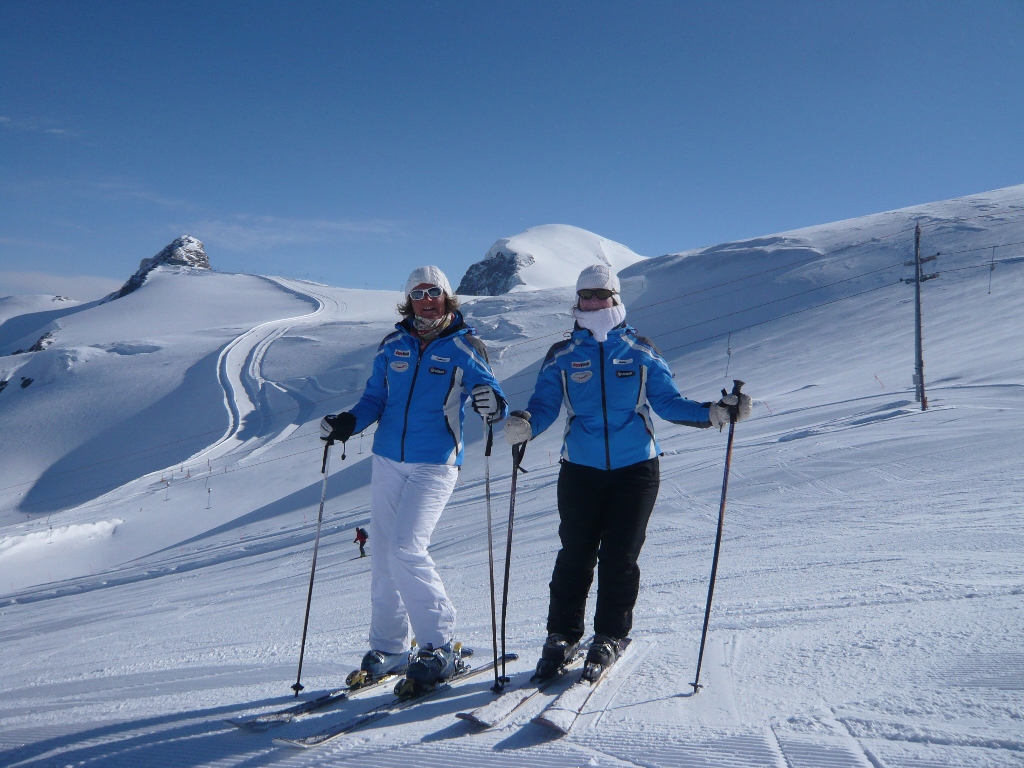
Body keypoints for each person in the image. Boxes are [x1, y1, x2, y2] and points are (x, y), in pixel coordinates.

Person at [503, 264, 751, 681]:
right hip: (579, 469)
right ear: (577, 301)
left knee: (620, 556)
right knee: (574, 554)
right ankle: (562, 634)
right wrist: (526, 423)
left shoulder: (640, 350)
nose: (594, 302)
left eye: (602, 295)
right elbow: (544, 404)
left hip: (636, 469)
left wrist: (713, 413)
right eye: (587, 296)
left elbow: (668, 402)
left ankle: (611, 635)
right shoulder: (563, 355)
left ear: (615, 298)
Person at [321, 266, 508, 688]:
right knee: (385, 552)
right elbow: (375, 397)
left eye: (434, 292)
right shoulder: (393, 345)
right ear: (409, 300)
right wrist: (350, 422)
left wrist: (491, 405)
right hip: (388, 458)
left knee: (406, 548)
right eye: (419, 293)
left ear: (447, 297)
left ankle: (438, 645)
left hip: (435, 461)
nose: (427, 299)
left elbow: (492, 396)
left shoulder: (465, 345)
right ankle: (389, 648)